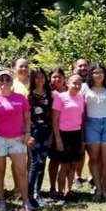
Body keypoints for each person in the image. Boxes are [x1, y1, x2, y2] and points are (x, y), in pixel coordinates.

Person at [0, 70, 34, 211]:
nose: (5, 82)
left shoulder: (20, 98)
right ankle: (1, 201)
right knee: (0, 171)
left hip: (17, 138)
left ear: (12, 81)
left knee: (21, 171)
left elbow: (27, 118)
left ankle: (26, 201)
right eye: (2, 79)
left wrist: (27, 133)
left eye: (8, 79)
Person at [82, 63, 106, 200]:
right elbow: (80, 110)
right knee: (94, 158)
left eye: (101, 72)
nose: (98, 75)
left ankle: (105, 189)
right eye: (95, 72)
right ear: (91, 74)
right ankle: (98, 190)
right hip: (91, 124)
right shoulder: (84, 88)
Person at [52, 74, 86, 200]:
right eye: (74, 83)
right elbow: (55, 120)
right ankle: (60, 192)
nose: (77, 86)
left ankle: (68, 191)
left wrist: (82, 140)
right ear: (68, 83)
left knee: (73, 165)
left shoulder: (81, 98)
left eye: (79, 84)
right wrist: (58, 139)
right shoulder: (60, 97)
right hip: (63, 134)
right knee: (64, 166)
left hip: (76, 134)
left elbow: (81, 120)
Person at [28, 67, 52, 207]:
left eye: (42, 77)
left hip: (46, 130)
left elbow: (52, 116)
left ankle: (38, 192)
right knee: (35, 162)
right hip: (33, 130)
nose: (40, 80)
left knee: (43, 161)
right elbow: (25, 116)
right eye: (37, 77)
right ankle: (29, 194)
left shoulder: (49, 94)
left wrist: (52, 135)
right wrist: (27, 134)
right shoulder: (29, 95)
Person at [47, 67, 66, 197]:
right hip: (52, 130)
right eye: (54, 77)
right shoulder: (48, 94)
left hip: (69, 130)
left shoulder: (71, 91)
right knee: (54, 160)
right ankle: (52, 187)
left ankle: (65, 188)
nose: (57, 79)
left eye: (59, 76)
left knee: (67, 161)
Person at [72, 58, 90, 189]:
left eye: (85, 66)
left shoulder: (93, 82)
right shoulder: (72, 83)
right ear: (74, 68)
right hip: (76, 121)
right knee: (79, 151)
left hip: (93, 119)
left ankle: (91, 176)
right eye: (80, 66)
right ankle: (77, 176)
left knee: (93, 152)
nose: (83, 68)